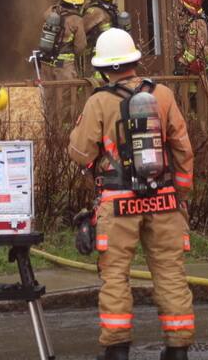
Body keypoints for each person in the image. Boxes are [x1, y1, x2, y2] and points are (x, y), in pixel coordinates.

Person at [69, 29, 195, 360]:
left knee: (115, 276)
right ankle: (177, 349)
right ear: (134, 60)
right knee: (170, 274)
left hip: (117, 202)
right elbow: (183, 148)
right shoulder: (163, 95)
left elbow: (81, 153)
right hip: (165, 200)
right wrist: (180, 194)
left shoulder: (99, 101)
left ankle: (117, 350)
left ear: (102, 68)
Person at [35, 0, 88, 82]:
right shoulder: (76, 20)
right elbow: (80, 46)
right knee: (66, 91)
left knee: (48, 91)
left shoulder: (50, 12)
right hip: (64, 67)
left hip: (45, 63)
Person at [172, 0, 208, 76]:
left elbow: (196, 47)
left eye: (182, 8)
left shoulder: (197, 24)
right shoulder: (192, 23)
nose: (180, 11)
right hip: (195, 68)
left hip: (201, 69)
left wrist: (183, 62)